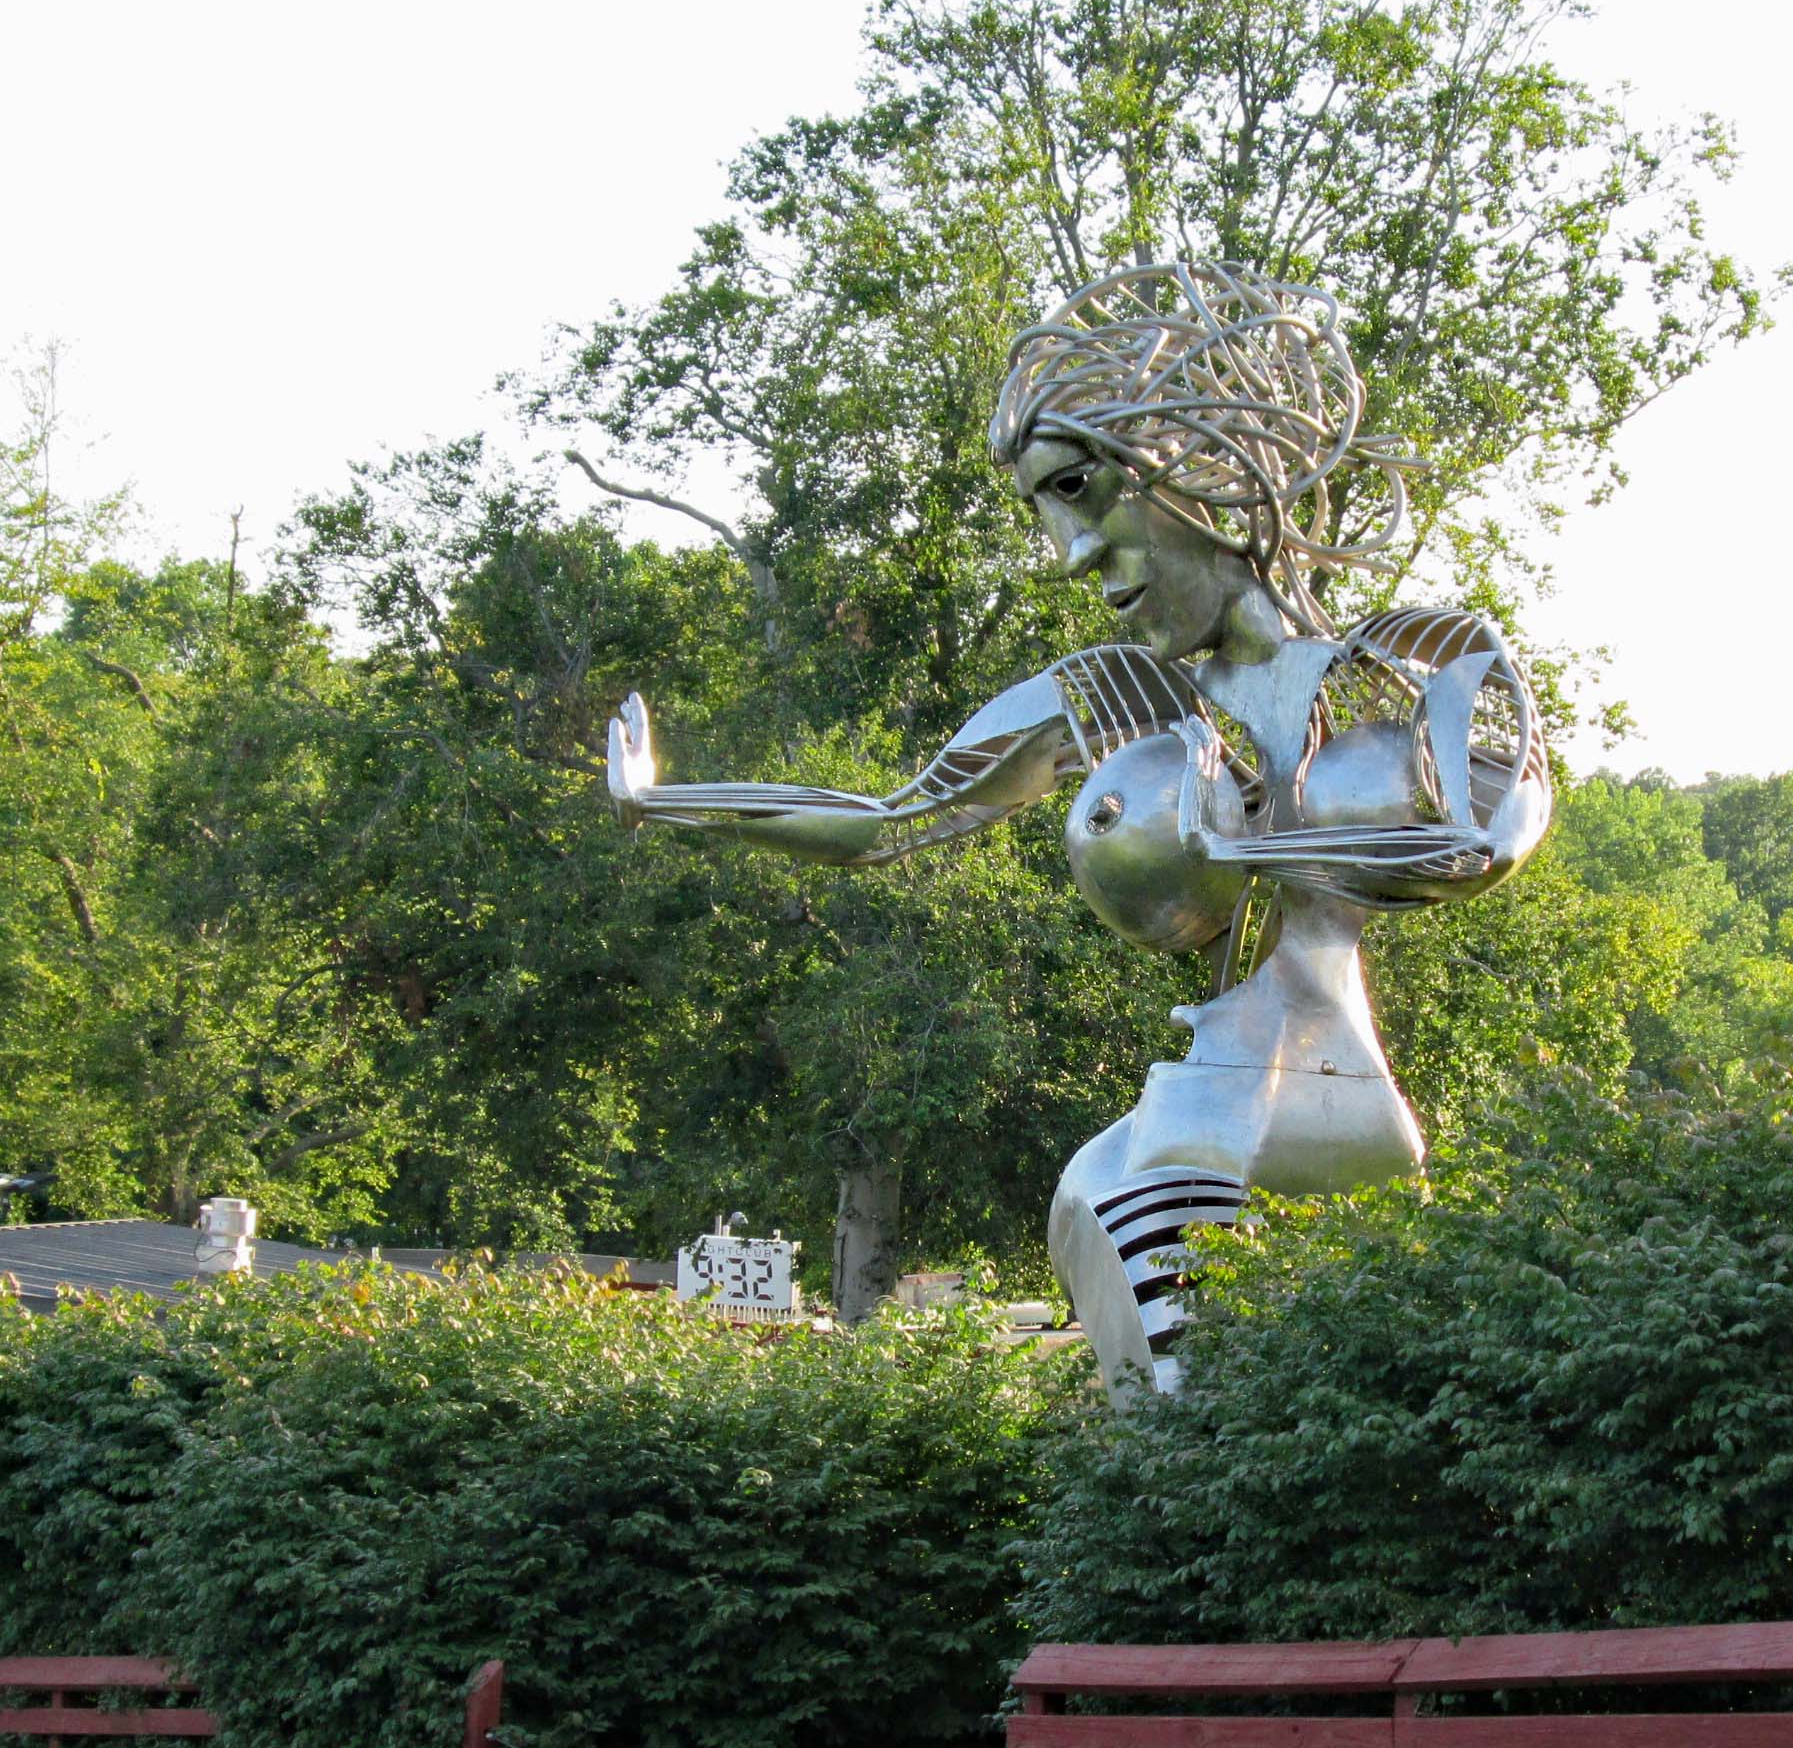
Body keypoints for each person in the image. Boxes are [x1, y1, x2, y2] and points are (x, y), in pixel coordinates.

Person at [607, 260, 1552, 1395]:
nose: (1073, 554)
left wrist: (1254, 845)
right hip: (1222, 1088)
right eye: (1046, 514)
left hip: (1320, 1088)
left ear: (1199, 473)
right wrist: (661, 801)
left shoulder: (1402, 665)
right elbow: (885, 824)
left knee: (1128, 1198)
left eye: (1082, 491)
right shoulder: (1119, 695)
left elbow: (1497, 827)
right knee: (1090, 1202)